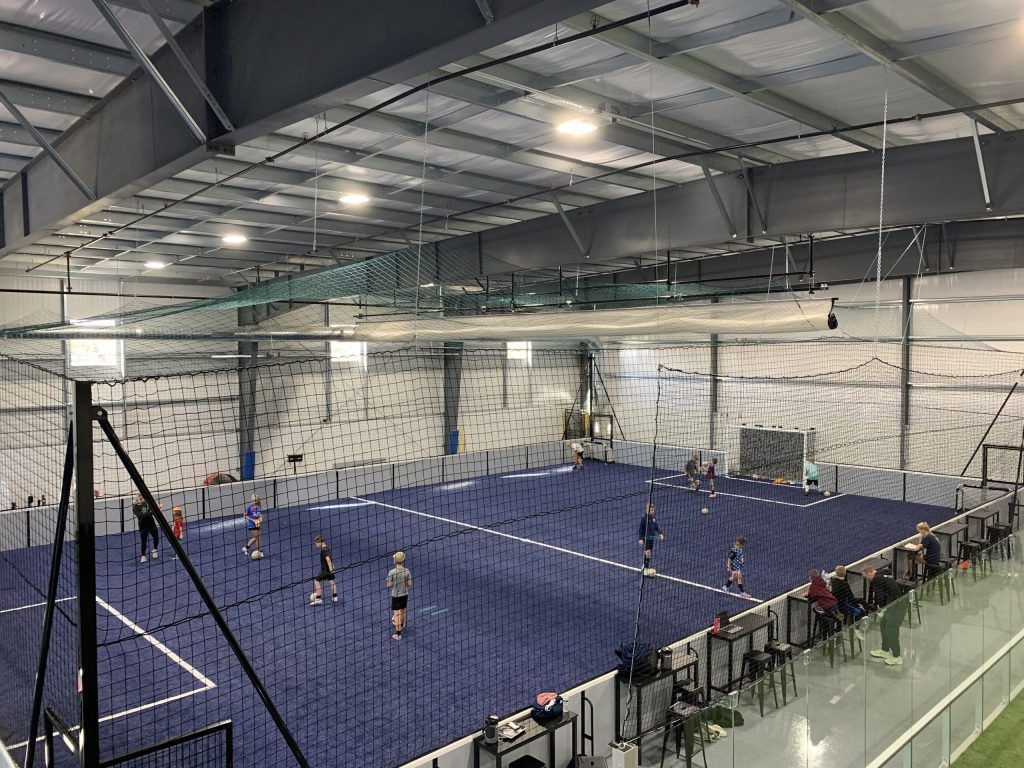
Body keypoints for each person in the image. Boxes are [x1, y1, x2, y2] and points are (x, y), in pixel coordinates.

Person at [864, 567, 907, 666]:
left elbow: (879, 595)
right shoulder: (882, 573)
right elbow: (888, 572)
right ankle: (885, 650)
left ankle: (897, 657)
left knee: (891, 630)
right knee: (883, 624)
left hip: (898, 608)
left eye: (868, 578)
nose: (869, 580)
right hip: (893, 606)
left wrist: (879, 606)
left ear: (870, 573)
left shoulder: (877, 579)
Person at [387, 551, 412, 640]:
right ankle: (403, 624)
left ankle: (398, 634)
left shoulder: (392, 572)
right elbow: (409, 583)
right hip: (405, 594)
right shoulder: (407, 571)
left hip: (396, 595)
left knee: (396, 613)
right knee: (403, 610)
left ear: (395, 561)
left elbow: (389, 585)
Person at [637, 501, 664, 577]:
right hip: (645, 539)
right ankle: (646, 569)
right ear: (647, 510)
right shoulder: (643, 518)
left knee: (649, 553)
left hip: (651, 539)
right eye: (651, 510)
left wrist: (661, 533)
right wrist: (640, 538)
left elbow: (656, 527)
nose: (653, 511)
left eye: (653, 510)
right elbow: (640, 529)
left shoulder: (653, 518)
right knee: (648, 552)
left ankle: (645, 565)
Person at [311, 536, 338, 605]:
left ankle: (318, 599)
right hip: (329, 569)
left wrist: (331, 569)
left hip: (324, 570)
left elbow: (328, 560)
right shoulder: (327, 548)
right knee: (331, 581)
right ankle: (335, 597)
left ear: (321, 542)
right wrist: (332, 566)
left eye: (316, 543)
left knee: (316, 582)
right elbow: (330, 558)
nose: (316, 545)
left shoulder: (323, 550)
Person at [133, 493, 159, 563]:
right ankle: (143, 556)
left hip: (151, 524)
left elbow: (152, 509)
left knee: (156, 537)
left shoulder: (147, 503)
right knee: (143, 542)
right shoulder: (135, 507)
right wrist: (152, 512)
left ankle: (155, 549)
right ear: (140, 499)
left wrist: (156, 508)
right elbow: (141, 515)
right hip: (143, 526)